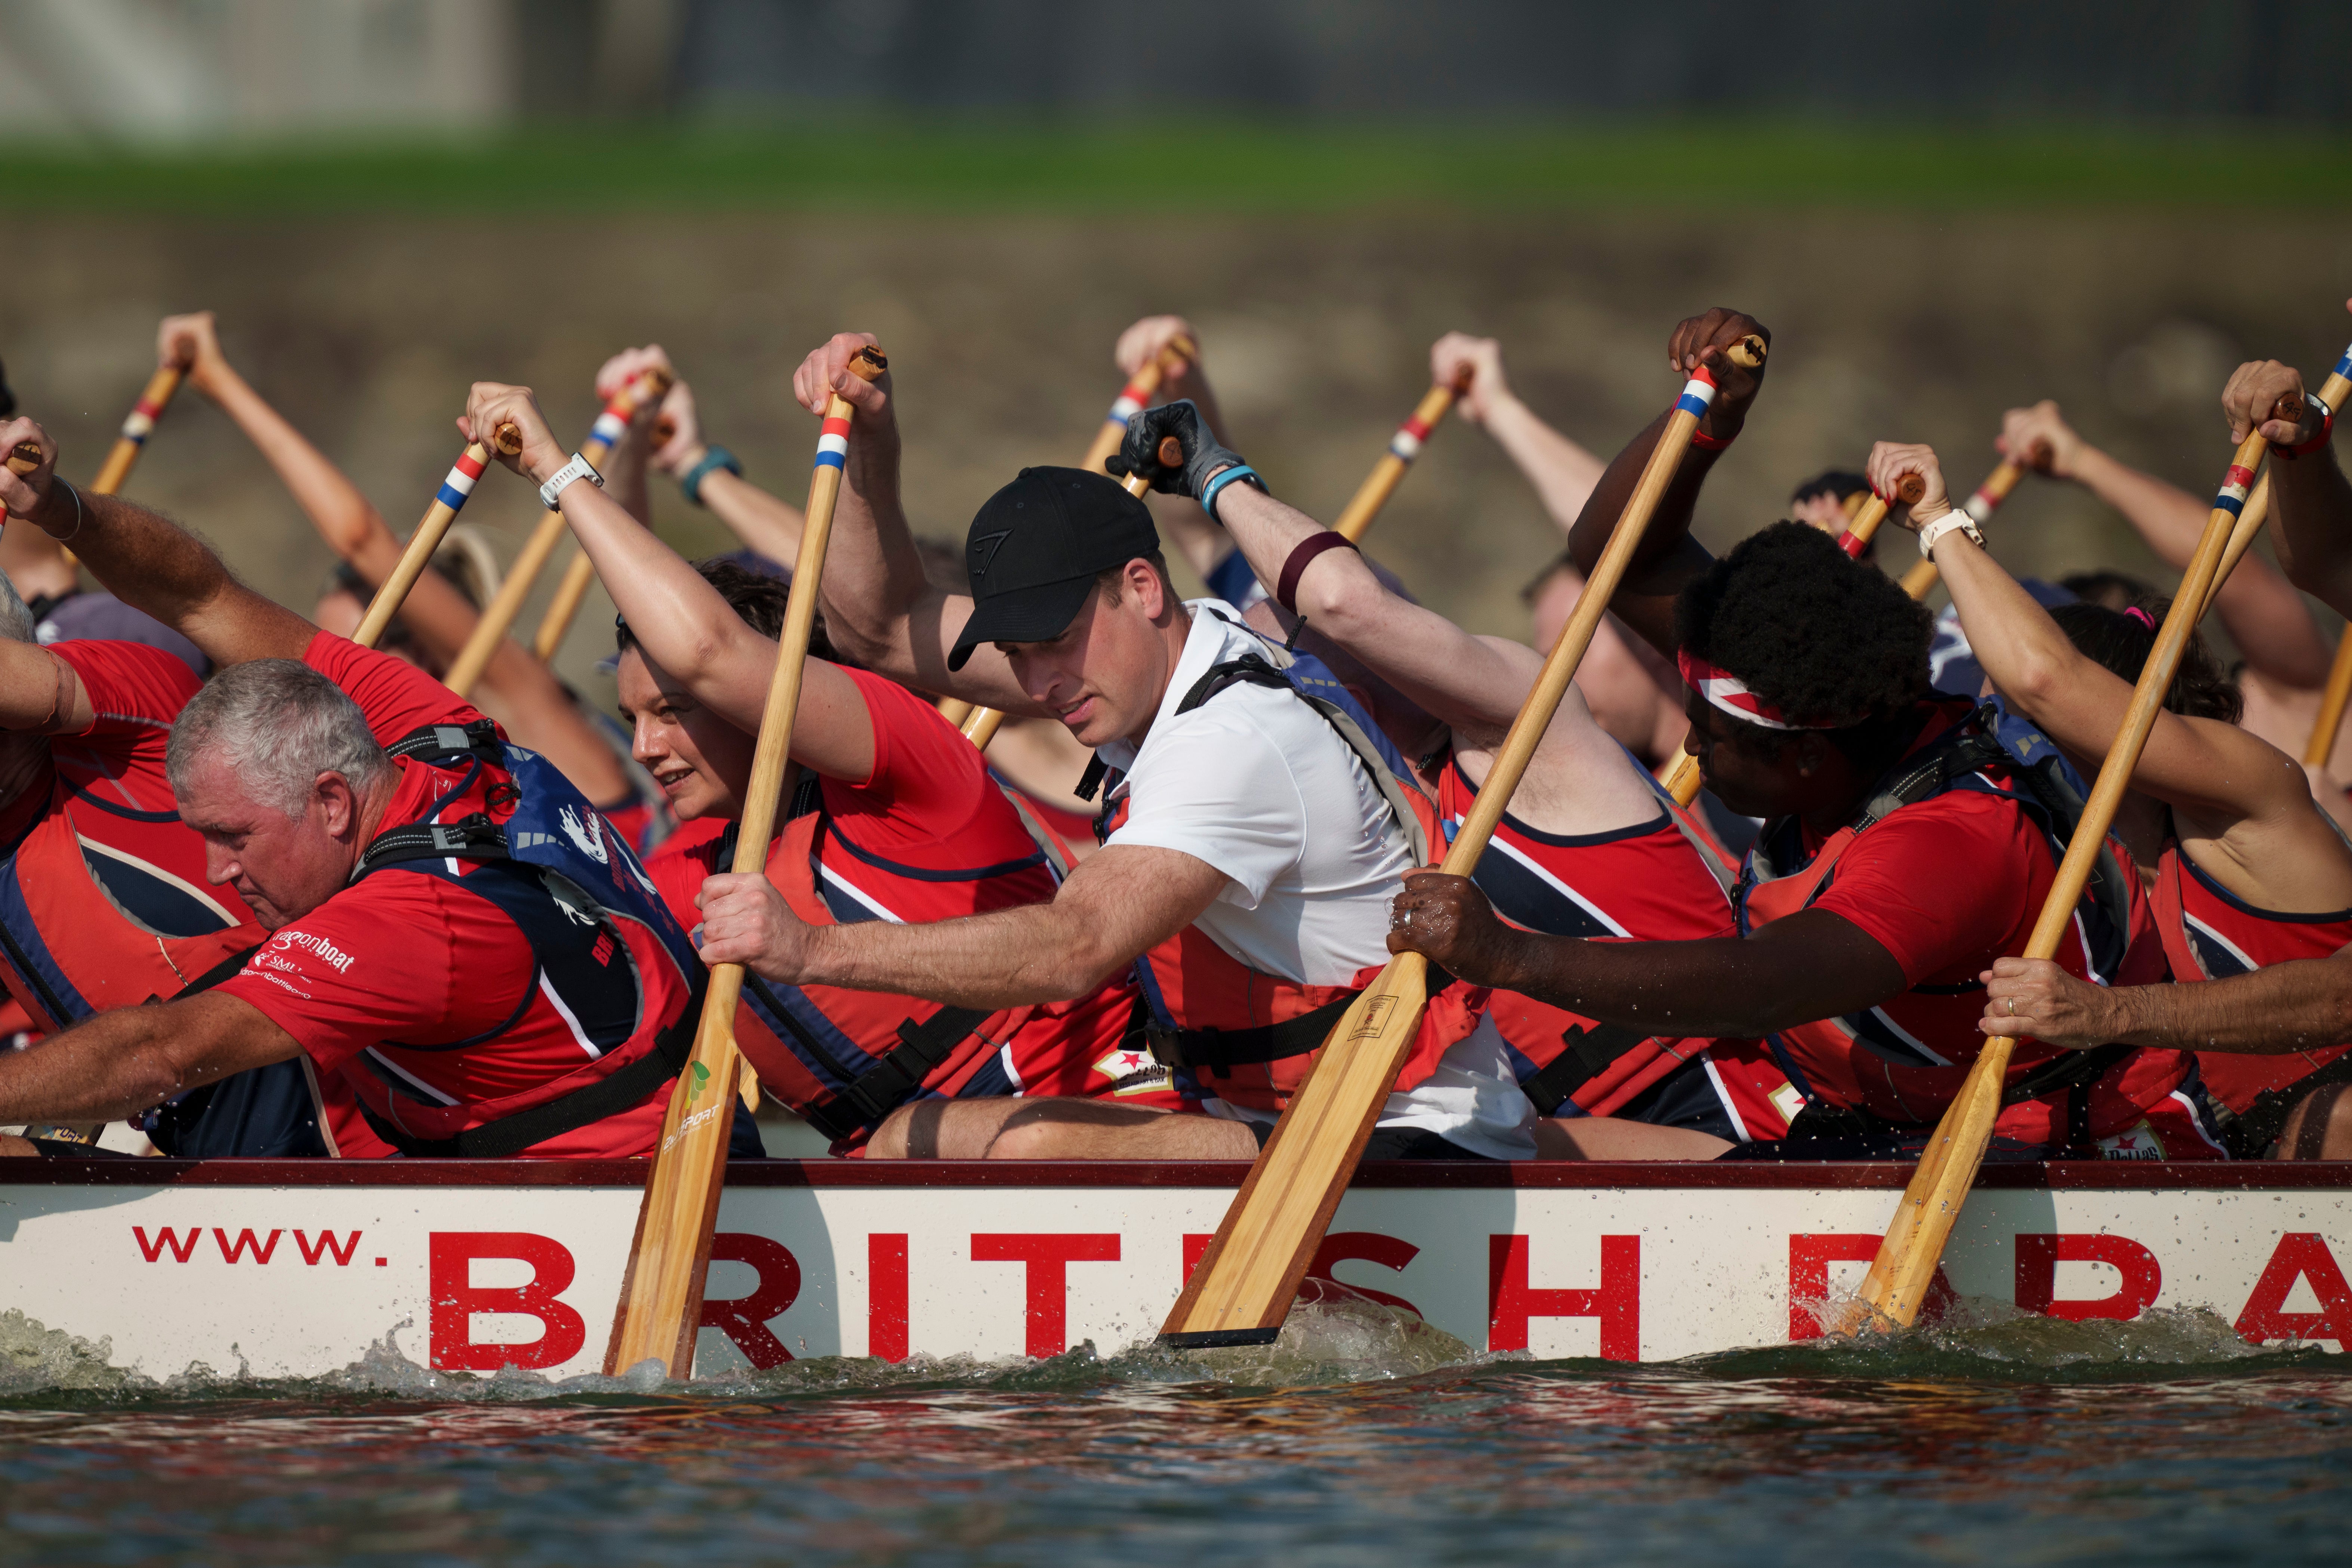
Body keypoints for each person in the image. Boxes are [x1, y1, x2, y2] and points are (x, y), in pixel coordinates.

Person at [1385, 306, 2221, 1161]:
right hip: (1873, 1133)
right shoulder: (1804, 691)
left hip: (2082, 1159)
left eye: (1711, 736)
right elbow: (1620, 552)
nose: (1693, 749)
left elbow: (1765, 985)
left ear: (1806, 753)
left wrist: (1513, 958)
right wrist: (1711, 421)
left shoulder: (1948, 841)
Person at [691, 332, 1540, 1161]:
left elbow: (1075, 948)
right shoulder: (1175, 651)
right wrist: (872, 441)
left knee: (1000, 1142)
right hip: (1285, 1107)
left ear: (1141, 587)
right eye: (1018, 654)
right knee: (930, 1135)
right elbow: (877, 630)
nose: (1038, 684)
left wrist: (813, 950)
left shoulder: (1231, 741)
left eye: (1055, 642)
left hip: (1409, 1131)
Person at [458, 381, 1169, 1155]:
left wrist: (555, 470)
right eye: (632, 719)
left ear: (756, 701)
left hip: (1101, 1108)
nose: (643, 750)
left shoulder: (904, 767)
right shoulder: (677, 879)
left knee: (931, 1139)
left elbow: (707, 653)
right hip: (904, 1176)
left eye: (674, 713)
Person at [0, 415, 730, 1161]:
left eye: (233, 837)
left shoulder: (405, 921)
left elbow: (157, 1054)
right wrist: (59, 507)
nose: (218, 867)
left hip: (616, 1194)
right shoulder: (420, 718)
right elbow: (206, 597)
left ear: (332, 801)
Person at [1200, 397, 1773, 1152]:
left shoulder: (1515, 735)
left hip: (1733, 1112)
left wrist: (1215, 475)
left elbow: (1343, 604)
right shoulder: (1369, 813)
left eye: (1301, 663)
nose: (1299, 691)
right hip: (1579, 1137)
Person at [1873, 437, 2352, 1158]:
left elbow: (2341, 1001)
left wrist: (1938, 520)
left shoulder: (2249, 796)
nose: (1990, 743)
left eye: (2007, 719)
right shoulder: (2056, 858)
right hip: (2219, 1159)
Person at [148, 314, 671, 854]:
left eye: (359, 655)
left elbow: (359, 538)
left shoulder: (517, 700)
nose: (339, 680)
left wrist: (220, 383)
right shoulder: (394, 776)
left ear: (424, 647)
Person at [1988, 397, 2352, 794]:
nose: (2126, 640)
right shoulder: (2060, 809)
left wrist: (2080, 461)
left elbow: (2227, 567)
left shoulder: (2285, 704)